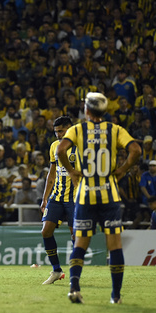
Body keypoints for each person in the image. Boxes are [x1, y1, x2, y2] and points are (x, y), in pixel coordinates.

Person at [57, 92, 141, 304]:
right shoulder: (115, 130)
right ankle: (116, 296)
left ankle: (74, 288)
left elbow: (60, 150)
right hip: (109, 194)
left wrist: (72, 171)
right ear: (105, 111)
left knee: (80, 244)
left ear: (86, 110)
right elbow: (136, 149)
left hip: (85, 195)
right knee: (114, 245)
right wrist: (123, 169)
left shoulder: (77, 129)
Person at [40, 116, 77, 285]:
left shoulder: (81, 146)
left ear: (70, 128)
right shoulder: (54, 146)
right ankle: (56, 270)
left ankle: (76, 273)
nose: (58, 135)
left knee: (76, 236)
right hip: (56, 196)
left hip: (75, 199)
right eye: (56, 132)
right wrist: (45, 197)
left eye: (61, 131)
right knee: (46, 231)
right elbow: (52, 172)